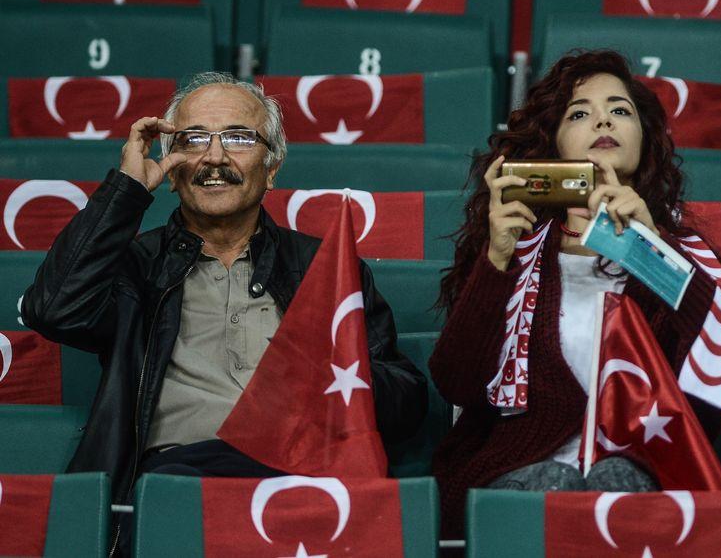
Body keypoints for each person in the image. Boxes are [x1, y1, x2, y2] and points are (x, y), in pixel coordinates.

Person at [21, 72, 427, 554]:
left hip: (305, 477)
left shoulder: (324, 268)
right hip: (181, 484)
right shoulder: (135, 268)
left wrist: (321, 382)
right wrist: (128, 189)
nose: (215, 157)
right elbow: (53, 310)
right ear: (171, 167)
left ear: (272, 166)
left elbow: (405, 399)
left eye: (238, 137)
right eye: (193, 140)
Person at [429, 50, 721, 538]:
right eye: (579, 112)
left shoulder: (682, 255)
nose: (601, 119)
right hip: (516, 468)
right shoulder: (514, 245)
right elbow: (457, 384)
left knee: (616, 481)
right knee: (552, 481)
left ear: (644, 139)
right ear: (553, 143)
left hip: (640, 466)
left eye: (619, 109)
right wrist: (496, 261)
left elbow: (716, 386)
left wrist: (649, 250)